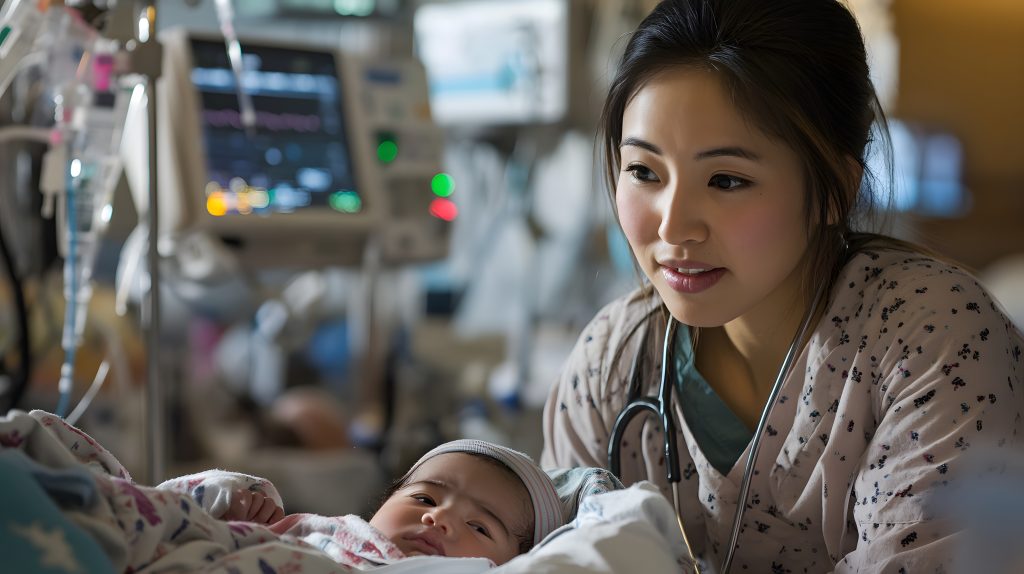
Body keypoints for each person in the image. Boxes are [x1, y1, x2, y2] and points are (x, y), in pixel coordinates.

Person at [540, 1, 1024, 573]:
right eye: (644, 172)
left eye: (726, 180)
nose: (672, 227)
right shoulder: (614, 360)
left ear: (833, 190)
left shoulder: (933, 340)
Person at [170, 438, 563, 568]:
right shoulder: (321, 533)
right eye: (425, 497)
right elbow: (174, 510)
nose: (438, 517)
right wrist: (231, 506)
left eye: (480, 526)